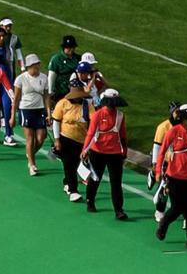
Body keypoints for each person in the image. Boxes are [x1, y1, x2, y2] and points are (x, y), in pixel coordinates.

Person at [152, 104, 187, 249]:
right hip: (174, 177)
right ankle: (164, 224)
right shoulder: (173, 132)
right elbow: (162, 152)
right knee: (177, 207)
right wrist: (158, 171)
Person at [82, 88, 131, 220]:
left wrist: (124, 151)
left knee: (116, 183)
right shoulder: (98, 115)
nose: (112, 107)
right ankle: (90, 201)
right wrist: (85, 150)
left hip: (114, 153)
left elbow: (123, 135)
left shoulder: (120, 116)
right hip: (97, 152)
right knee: (95, 178)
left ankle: (119, 210)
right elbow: (91, 133)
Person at [49, 79, 92, 200]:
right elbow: (56, 122)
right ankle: (73, 191)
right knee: (68, 164)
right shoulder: (62, 104)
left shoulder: (87, 105)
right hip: (66, 138)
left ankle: (67, 182)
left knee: (75, 165)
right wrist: (57, 140)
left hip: (81, 140)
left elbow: (93, 120)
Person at [12, 53, 52, 176]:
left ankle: (30, 154)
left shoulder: (44, 78)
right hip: (26, 110)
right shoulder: (21, 79)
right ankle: (32, 164)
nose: (36, 68)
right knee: (30, 138)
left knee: (41, 137)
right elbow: (16, 98)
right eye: (34, 66)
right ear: (28, 67)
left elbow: (46, 97)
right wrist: (12, 115)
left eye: (37, 65)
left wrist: (49, 113)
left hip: (39, 110)